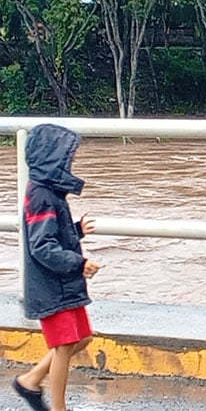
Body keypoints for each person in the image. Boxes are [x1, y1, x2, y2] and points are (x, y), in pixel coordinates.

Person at [12, 123, 102, 411]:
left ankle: (31, 379)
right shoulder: (41, 196)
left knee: (83, 338)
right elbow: (42, 246)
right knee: (64, 345)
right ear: (52, 161)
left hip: (61, 283)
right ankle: (59, 408)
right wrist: (80, 263)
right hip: (51, 285)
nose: (71, 165)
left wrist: (77, 231)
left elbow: (54, 235)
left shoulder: (50, 192)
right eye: (67, 160)